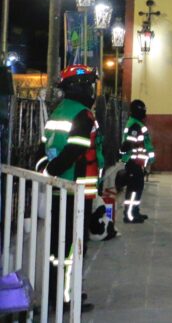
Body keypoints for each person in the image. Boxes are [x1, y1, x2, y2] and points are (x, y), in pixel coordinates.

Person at [40, 65, 99, 313]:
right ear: (80, 87)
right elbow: (76, 149)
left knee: (57, 246)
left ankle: (56, 292)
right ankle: (66, 297)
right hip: (76, 189)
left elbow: (42, 147)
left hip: (57, 190)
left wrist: (48, 172)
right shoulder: (83, 115)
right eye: (89, 85)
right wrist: (56, 172)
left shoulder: (58, 112)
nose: (92, 90)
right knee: (73, 246)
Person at [119, 99, 154, 223]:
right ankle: (129, 215)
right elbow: (127, 144)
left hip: (137, 162)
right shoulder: (135, 125)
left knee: (137, 188)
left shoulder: (137, 123)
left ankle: (135, 211)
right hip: (133, 162)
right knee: (134, 188)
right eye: (143, 109)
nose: (145, 112)